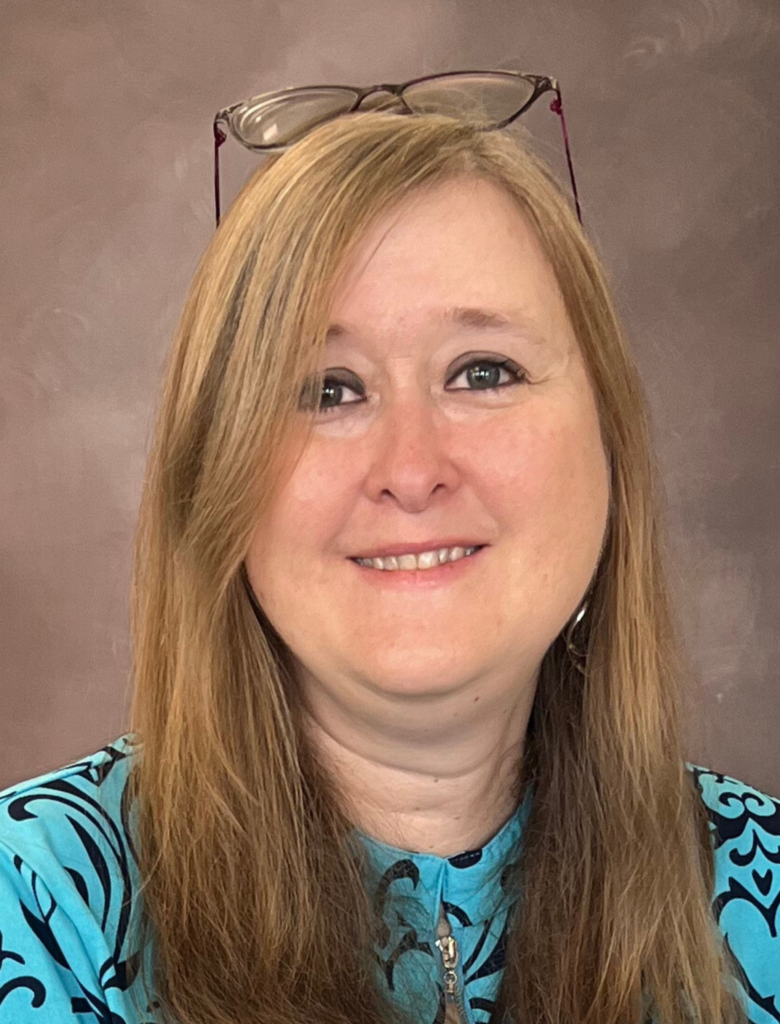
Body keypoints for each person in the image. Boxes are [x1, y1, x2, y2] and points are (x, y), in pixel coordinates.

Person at [0, 106, 777, 1024]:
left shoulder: (759, 878)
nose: (411, 471)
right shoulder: (41, 907)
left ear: (610, 442)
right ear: (217, 480)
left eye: (483, 372)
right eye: (328, 390)